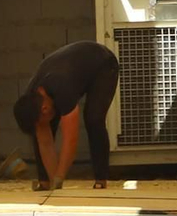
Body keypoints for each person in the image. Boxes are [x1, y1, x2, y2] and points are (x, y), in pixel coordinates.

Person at [11, 40, 119, 190]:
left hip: (103, 64)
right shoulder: (32, 96)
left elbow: (71, 140)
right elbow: (44, 142)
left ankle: (101, 179)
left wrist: (59, 177)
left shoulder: (62, 88)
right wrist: (52, 181)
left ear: (44, 108)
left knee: (93, 119)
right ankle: (45, 182)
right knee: (42, 129)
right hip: (71, 67)